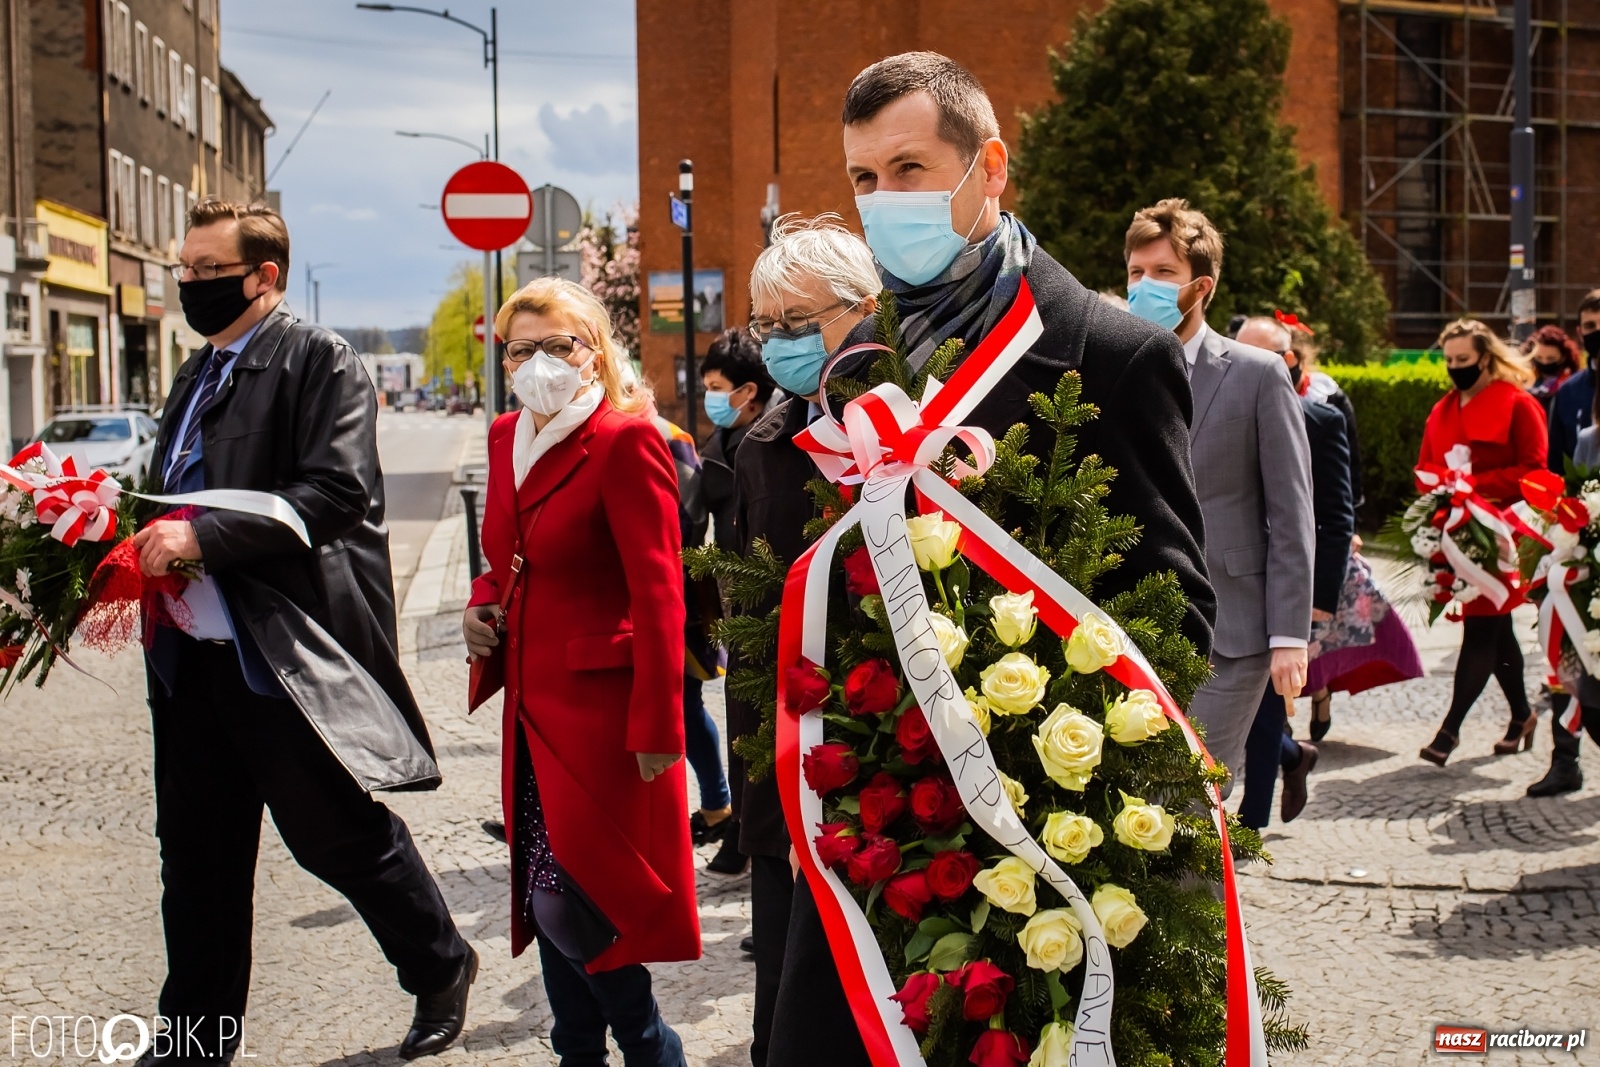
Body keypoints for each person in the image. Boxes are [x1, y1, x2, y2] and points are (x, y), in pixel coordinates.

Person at [768, 53, 1217, 1067]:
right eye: (864, 180)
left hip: (1039, 839)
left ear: (990, 167)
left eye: (912, 168)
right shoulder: (860, 354)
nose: (885, 202)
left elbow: (1178, 610)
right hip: (879, 820)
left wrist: (1033, 726)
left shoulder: (1109, 352)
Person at [131, 199, 475, 1064]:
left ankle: (441, 964)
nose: (190, 286)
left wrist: (202, 537)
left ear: (265, 276)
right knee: (197, 858)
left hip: (278, 652)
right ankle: (194, 1040)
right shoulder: (196, 369)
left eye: (209, 271)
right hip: (190, 657)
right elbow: (165, 491)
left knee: (337, 836)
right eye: (186, 270)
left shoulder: (318, 359)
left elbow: (337, 492)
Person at [462, 277, 699, 1065]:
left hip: (604, 724)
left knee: (593, 902)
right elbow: (502, 561)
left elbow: (661, 593)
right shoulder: (504, 437)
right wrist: (480, 605)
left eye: (555, 345)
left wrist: (660, 728)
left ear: (592, 349)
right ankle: (581, 1052)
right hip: (531, 714)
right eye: (519, 349)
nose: (537, 362)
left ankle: (650, 1047)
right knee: (550, 898)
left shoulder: (628, 439)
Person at [723, 213, 883, 1066]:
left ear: (864, 310)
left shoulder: (907, 425)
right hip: (781, 757)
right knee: (784, 1022)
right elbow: (752, 628)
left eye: (799, 322)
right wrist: (762, 798)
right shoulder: (766, 440)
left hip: (882, 759)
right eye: (765, 324)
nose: (779, 343)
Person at [1123, 200, 1314, 792]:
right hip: (1132, 626)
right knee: (1133, 807)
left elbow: (1291, 510)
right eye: (1135, 273)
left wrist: (1289, 636)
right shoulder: (1116, 365)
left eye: (1163, 274)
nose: (1144, 286)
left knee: (1189, 798)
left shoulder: (1257, 373)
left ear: (1200, 286)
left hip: (1232, 633)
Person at [1233, 316, 1353, 827]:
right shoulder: (1214, 403)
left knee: (1265, 705)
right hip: (1230, 579)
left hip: (1285, 581)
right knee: (1251, 705)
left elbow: (1337, 514)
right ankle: (1291, 756)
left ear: (1290, 362)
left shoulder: (1320, 421)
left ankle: (1252, 819)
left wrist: (1320, 595)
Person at [1418, 319, 1546, 765]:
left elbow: (1535, 470)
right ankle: (1522, 716)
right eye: (1449, 361)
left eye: (1463, 360)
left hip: (1503, 536)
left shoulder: (1519, 405)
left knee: (1482, 628)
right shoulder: (1442, 409)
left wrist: (1473, 485)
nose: (1455, 368)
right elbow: (1425, 469)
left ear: (1486, 359)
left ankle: (1448, 732)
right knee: (1496, 628)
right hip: (1456, 533)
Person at [698, 328, 776, 874]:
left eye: (717, 386)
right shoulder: (716, 445)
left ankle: (754, 837)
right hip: (733, 608)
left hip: (771, 604)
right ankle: (740, 832)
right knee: (740, 721)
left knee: (764, 727)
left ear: (748, 391)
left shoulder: (772, 442)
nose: (710, 396)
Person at [1528, 394, 1600, 795]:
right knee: (1570, 666)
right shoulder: (1590, 439)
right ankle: (1564, 760)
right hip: (1587, 579)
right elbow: (1573, 505)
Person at [1546, 289, 1600, 469]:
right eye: (1590, 326)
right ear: (1579, 332)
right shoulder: (1568, 392)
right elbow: (1556, 461)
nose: (1598, 331)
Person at [1526, 323, 1583, 417]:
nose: (1544, 363)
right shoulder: (1525, 382)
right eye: (1539, 358)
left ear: (1563, 357)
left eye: (1551, 359)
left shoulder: (1573, 385)